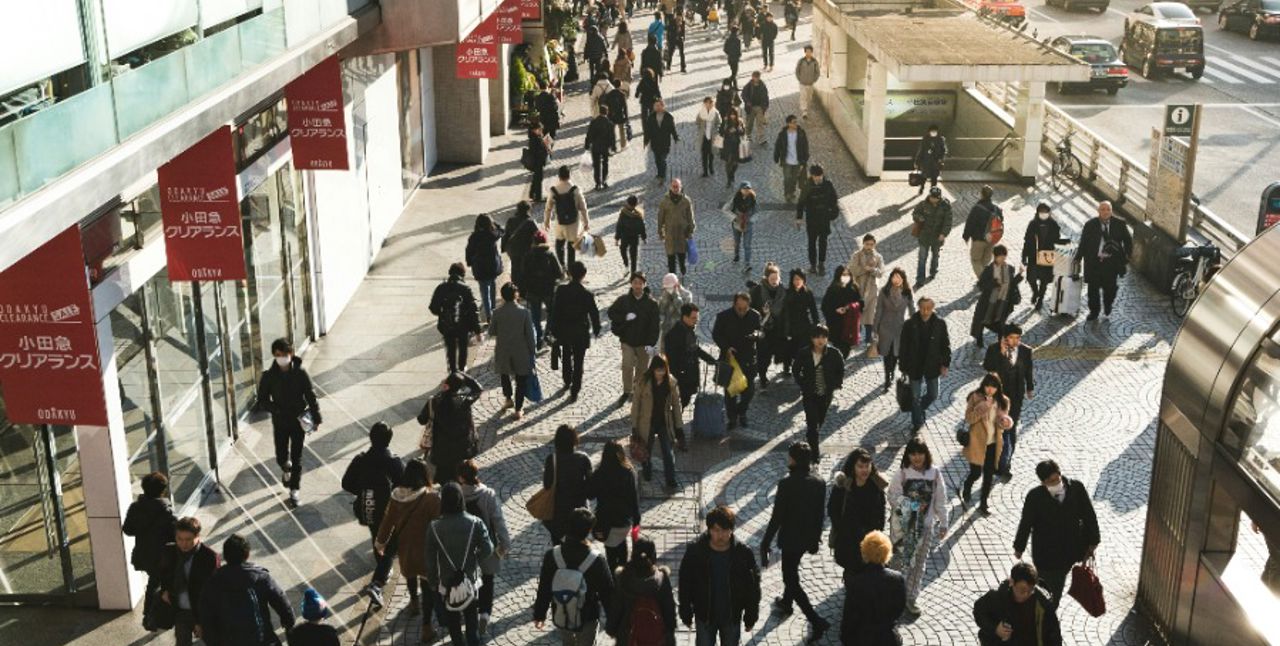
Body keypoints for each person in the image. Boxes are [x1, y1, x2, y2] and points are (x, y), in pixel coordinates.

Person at [760, 442, 831, 642]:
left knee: (790, 578)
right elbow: (820, 515)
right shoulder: (819, 482)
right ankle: (786, 602)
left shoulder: (786, 483)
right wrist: (815, 539)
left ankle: (816, 620)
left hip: (790, 540)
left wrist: (765, 543)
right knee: (792, 570)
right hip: (806, 539)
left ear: (793, 459)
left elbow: (777, 518)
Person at [1013, 460, 1100, 610]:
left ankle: (1042, 611)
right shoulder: (1035, 497)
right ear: (1043, 482)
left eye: (1057, 478)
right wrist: (1019, 546)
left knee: (1051, 587)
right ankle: (1045, 615)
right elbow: (1026, 523)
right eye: (1050, 481)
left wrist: (1093, 541)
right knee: (1052, 590)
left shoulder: (1076, 489)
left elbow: (1089, 515)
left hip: (1070, 551)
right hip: (1046, 554)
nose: (1056, 482)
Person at [374, 459, 441, 640]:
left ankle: (413, 602)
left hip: (406, 547)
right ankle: (426, 626)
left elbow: (387, 521)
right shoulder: (431, 497)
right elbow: (439, 524)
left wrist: (380, 542)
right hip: (427, 549)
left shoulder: (396, 496)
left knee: (410, 574)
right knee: (427, 589)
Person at [341, 421, 405, 607]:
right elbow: (402, 484)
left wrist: (362, 491)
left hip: (366, 506)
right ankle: (378, 581)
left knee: (376, 533)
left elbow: (346, 483)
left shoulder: (360, 459)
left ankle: (381, 568)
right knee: (392, 544)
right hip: (387, 509)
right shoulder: (393, 461)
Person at [678, 505, 762, 646]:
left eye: (725, 530)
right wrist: (685, 611)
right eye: (716, 530)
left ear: (731, 530)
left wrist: (751, 616)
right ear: (709, 530)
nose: (721, 535)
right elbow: (685, 583)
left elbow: (752, 588)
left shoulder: (743, 553)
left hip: (731, 617)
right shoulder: (695, 551)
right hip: (705, 616)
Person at [533, 507, 614, 645]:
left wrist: (539, 614)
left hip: (562, 611)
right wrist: (614, 622)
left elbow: (544, 587)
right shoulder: (596, 560)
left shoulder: (552, 556)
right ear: (588, 531)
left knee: (568, 642)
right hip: (588, 615)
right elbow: (608, 593)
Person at [426, 483, 494, 646]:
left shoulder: (434, 527)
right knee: (471, 621)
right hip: (470, 580)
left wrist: (433, 583)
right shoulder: (475, 523)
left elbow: (430, 559)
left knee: (453, 623)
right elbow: (488, 548)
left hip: (446, 583)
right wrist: (475, 559)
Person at [255, 338, 320, 507]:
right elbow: (262, 399)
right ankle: (285, 468)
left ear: (290, 354)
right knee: (281, 455)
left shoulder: (300, 374)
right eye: (278, 355)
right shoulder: (269, 377)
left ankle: (294, 489)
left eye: (284, 354)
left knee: (297, 457)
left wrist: (316, 417)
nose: (281, 358)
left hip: (298, 421)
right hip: (280, 421)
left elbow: (310, 396)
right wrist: (275, 409)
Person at [887, 438, 947, 616]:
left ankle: (911, 597)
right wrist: (912, 508)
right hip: (903, 529)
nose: (916, 457)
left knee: (919, 564)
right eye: (912, 453)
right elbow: (892, 497)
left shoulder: (934, 473)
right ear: (908, 455)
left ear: (926, 454)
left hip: (926, 528)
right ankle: (893, 596)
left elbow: (940, 500)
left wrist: (943, 523)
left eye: (920, 453)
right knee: (897, 562)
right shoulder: (902, 474)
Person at [199, 534, 295, 646]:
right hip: (261, 640)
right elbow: (281, 600)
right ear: (247, 554)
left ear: (225, 555)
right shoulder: (261, 577)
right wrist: (288, 622)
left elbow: (205, 616)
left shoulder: (213, 583)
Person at [458, 459, 511, 633]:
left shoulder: (456, 495)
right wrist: (504, 544)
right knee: (488, 579)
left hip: (464, 547)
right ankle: (485, 614)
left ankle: (469, 610)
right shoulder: (488, 494)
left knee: (467, 578)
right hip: (486, 544)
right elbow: (498, 521)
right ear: (476, 474)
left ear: (460, 477)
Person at [123, 471, 176, 631]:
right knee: (158, 584)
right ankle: (152, 616)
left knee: (154, 582)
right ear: (163, 491)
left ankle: (151, 616)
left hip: (143, 555)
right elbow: (175, 535)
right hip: (162, 558)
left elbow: (128, 530)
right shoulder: (166, 512)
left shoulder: (135, 507)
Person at [154, 516, 218, 645]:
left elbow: (213, 591)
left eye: (188, 539)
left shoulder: (209, 557)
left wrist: (201, 621)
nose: (183, 544)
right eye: (179, 539)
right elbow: (162, 574)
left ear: (198, 536)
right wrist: (164, 591)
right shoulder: (169, 551)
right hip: (180, 611)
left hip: (202, 612)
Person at [984, 324, 1034, 481]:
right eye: (1012, 338)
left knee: (1010, 429)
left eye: (1018, 338)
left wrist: (1030, 387)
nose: (1016, 341)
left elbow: (1028, 370)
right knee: (997, 429)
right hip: (998, 397)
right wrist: (1001, 353)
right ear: (1005, 338)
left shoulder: (1026, 351)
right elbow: (988, 367)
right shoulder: (994, 349)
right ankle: (995, 461)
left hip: (1016, 396)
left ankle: (1005, 464)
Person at [606, 534, 677, 645]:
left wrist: (611, 629)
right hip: (657, 638)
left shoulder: (623, 578)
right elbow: (669, 611)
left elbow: (616, 607)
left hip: (628, 637)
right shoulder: (662, 579)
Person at [972, 562, 1063, 646]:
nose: (1026, 595)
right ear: (1012, 582)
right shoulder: (997, 597)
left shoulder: (1043, 605)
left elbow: (1054, 637)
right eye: (1022, 590)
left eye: (1030, 590)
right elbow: (979, 611)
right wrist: (995, 628)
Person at [417, 370, 483, 485]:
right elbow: (478, 389)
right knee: (457, 477)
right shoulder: (464, 401)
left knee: (441, 477)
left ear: (445, 385)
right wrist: (463, 375)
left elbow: (421, 419)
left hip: (441, 450)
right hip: (461, 449)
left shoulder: (434, 401)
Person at [841, 531, 906, 646]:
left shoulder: (856, 582)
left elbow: (849, 616)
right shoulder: (897, 579)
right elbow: (899, 609)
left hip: (862, 638)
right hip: (887, 638)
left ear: (864, 552)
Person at [828, 448, 886, 575]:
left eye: (867, 466)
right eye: (860, 466)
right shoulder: (843, 485)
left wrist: (877, 533)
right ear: (853, 467)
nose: (865, 470)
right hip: (848, 539)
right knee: (851, 571)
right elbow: (833, 510)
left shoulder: (875, 484)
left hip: (869, 539)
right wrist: (842, 529)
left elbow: (881, 509)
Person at [550, 261, 602, 402]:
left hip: (565, 329)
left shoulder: (561, 291)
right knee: (579, 361)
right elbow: (594, 314)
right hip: (580, 330)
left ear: (569, 274)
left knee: (566, 353)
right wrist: (597, 329)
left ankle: (567, 379)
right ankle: (575, 389)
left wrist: (552, 329)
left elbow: (555, 312)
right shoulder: (587, 294)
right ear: (583, 275)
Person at [792, 326, 845, 461]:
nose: (820, 340)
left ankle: (811, 438)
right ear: (812, 338)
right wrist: (802, 383)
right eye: (817, 337)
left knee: (818, 421)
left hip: (825, 395)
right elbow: (796, 369)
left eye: (823, 337)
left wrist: (836, 383)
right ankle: (814, 455)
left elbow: (840, 368)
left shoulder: (833, 353)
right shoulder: (804, 353)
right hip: (809, 394)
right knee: (812, 425)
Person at [631, 355, 684, 489]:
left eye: (663, 370)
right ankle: (647, 470)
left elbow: (676, 406)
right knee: (645, 449)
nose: (660, 374)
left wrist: (679, 427)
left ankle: (670, 479)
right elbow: (636, 405)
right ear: (653, 369)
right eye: (658, 370)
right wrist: (634, 426)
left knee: (667, 451)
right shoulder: (643, 382)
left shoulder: (671, 383)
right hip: (647, 422)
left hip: (664, 423)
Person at [1073, 200, 1132, 321]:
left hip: (1111, 263)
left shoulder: (1120, 224)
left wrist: (1126, 256)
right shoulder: (1090, 225)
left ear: (1111, 211)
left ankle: (1108, 304)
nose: (1105, 212)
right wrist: (1078, 257)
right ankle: (1094, 312)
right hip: (1094, 262)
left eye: (1108, 209)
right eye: (1103, 209)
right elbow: (1083, 242)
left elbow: (1128, 240)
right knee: (1093, 290)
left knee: (1110, 288)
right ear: (1098, 211)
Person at [608, 272, 661, 405]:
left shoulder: (652, 304)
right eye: (635, 282)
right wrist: (624, 317)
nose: (637, 285)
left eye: (640, 283)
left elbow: (655, 326)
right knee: (627, 365)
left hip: (644, 343)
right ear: (631, 284)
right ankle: (627, 391)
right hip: (627, 341)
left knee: (642, 370)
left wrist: (651, 343)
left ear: (644, 284)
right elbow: (611, 313)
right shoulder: (623, 300)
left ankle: (637, 390)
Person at [712, 292, 764, 428]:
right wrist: (726, 347)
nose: (742, 312)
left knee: (749, 391)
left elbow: (761, 332)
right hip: (730, 358)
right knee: (731, 392)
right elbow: (716, 334)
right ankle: (732, 417)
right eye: (739, 308)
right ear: (734, 304)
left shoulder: (755, 316)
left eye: (745, 309)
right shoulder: (724, 316)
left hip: (748, 358)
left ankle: (741, 411)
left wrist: (756, 335)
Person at [962, 374, 1010, 517]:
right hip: (977, 443)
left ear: (998, 388)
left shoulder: (1003, 401)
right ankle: (967, 485)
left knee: (988, 475)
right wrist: (983, 407)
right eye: (987, 386)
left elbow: (1003, 422)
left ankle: (984, 503)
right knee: (976, 473)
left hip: (993, 444)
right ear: (983, 386)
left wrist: (1006, 422)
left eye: (993, 387)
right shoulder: (975, 397)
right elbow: (969, 418)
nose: (990, 390)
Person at [899, 297, 950, 433]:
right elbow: (903, 347)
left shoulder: (940, 324)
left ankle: (919, 410)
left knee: (933, 394)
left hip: (932, 365)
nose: (925, 311)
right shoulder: (909, 324)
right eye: (922, 308)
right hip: (914, 365)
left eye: (928, 308)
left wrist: (945, 364)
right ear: (918, 307)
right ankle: (917, 423)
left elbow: (945, 345)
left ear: (933, 307)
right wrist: (903, 367)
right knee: (914, 397)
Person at [590, 440, 642, 569]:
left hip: (605, 521)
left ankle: (613, 578)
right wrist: (636, 519)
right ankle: (622, 573)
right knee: (622, 546)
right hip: (623, 521)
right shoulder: (628, 472)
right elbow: (633, 498)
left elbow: (590, 494)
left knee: (611, 553)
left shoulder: (599, 473)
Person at [543, 424, 594, 545]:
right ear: (574, 440)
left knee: (558, 549)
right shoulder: (583, 459)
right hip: (579, 515)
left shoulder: (552, 460)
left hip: (557, 514)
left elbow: (547, 485)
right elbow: (591, 489)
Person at [430, 262, 483, 373]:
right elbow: (474, 311)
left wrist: (442, 313)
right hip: (463, 325)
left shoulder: (441, 288)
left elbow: (433, 307)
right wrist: (478, 331)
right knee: (463, 348)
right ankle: (462, 370)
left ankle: (453, 371)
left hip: (447, 325)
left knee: (451, 349)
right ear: (462, 274)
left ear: (450, 273)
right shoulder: (465, 289)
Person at [665, 303, 717, 412]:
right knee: (681, 400)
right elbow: (672, 358)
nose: (696, 320)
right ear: (684, 317)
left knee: (686, 399)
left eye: (697, 318)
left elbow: (695, 348)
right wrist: (678, 376)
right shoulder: (675, 334)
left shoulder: (688, 329)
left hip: (689, 372)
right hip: (682, 375)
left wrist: (710, 359)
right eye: (693, 318)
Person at [970, 245, 1022, 348]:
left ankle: (1000, 343)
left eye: (1004, 257)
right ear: (995, 256)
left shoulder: (1010, 269)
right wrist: (993, 283)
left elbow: (1011, 284)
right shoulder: (989, 270)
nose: (1003, 259)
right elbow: (981, 285)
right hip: (989, 301)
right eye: (1000, 257)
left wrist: (1020, 275)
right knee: (984, 320)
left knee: (1000, 323)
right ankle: (979, 338)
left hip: (1003, 302)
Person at [872, 268, 914, 391]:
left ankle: (891, 372)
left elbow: (912, 310)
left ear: (903, 280)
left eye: (899, 277)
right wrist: (875, 328)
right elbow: (878, 310)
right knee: (886, 354)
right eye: (894, 277)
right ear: (891, 278)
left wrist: (914, 325)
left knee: (895, 354)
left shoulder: (907, 293)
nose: (896, 279)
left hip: (900, 329)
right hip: (885, 328)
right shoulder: (884, 292)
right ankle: (887, 376)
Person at [522, 229, 564, 349]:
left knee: (535, 316)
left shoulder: (528, 255)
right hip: (548, 290)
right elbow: (559, 273)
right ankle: (548, 332)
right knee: (552, 312)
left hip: (533, 291)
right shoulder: (550, 254)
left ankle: (539, 337)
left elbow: (523, 274)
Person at [544, 165, 591, 269]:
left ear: (559, 176)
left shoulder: (553, 190)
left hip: (560, 223)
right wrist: (586, 222)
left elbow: (548, 208)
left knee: (559, 244)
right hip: (573, 224)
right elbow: (583, 207)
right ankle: (571, 269)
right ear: (569, 175)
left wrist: (547, 222)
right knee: (571, 248)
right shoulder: (575, 190)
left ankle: (561, 265)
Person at [749, 263, 787, 389]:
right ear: (766, 278)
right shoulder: (758, 291)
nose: (775, 281)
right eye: (772, 279)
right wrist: (762, 312)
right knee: (763, 356)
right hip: (763, 330)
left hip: (777, 329)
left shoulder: (783, 291)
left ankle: (785, 368)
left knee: (776, 353)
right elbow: (751, 310)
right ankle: (763, 377)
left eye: (777, 278)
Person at [796, 164, 839, 275]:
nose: (819, 178)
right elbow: (801, 202)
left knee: (823, 242)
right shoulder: (807, 186)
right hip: (812, 219)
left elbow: (834, 200)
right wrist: (799, 217)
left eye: (820, 176)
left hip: (824, 218)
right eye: (816, 176)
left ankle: (821, 264)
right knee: (811, 243)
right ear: (812, 176)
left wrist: (832, 213)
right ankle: (813, 265)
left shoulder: (828, 185)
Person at [1022, 202, 1063, 309]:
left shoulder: (1054, 225)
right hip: (1034, 255)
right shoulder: (1033, 224)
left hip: (1047, 255)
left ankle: (1040, 299)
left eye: (1045, 212)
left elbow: (1057, 241)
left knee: (1044, 280)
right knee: (1031, 278)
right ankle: (1035, 292)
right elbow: (1026, 240)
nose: (1043, 213)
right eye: (1041, 212)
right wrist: (1024, 255)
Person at [466, 215, 504, 325]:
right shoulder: (492, 235)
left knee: (484, 292)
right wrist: (494, 223)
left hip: (480, 268)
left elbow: (469, 251)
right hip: (492, 267)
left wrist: (469, 262)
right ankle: (493, 310)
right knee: (492, 287)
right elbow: (502, 230)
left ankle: (489, 315)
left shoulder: (474, 237)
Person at [911, 186, 952, 287]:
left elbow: (948, 222)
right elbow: (915, 213)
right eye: (932, 197)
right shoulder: (923, 204)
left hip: (937, 236)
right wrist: (919, 218)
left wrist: (943, 234)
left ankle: (933, 271)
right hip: (924, 236)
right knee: (922, 258)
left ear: (939, 197)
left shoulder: (945, 206)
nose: (933, 199)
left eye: (936, 198)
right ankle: (920, 279)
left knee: (935, 255)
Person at [781, 268, 820, 374]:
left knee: (803, 348)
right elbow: (784, 311)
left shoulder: (808, 293)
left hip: (804, 325)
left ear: (803, 280)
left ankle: (800, 367)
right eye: (795, 279)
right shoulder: (787, 293)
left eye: (799, 279)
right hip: (790, 325)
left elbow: (813, 310)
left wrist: (816, 323)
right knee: (789, 348)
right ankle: (786, 366)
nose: (797, 282)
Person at [849, 234, 885, 346]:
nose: (869, 246)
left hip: (872, 288)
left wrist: (872, 269)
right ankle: (856, 336)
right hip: (858, 286)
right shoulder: (857, 255)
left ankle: (868, 338)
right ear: (863, 243)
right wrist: (864, 269)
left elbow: (881, 272)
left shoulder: (878, 257)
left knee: (870, 313)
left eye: (871, 244)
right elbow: (853, 270)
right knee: (857, 312)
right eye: (867, 244)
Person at [656, 179, 696, 275]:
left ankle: (682, 268)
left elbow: (690, 216)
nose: (675, 189)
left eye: (677, 186)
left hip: (682, 233)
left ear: (680, 187)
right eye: (673, 186)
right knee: (671, 256)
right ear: (670, 187)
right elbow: (660, 218)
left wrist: (691, 229)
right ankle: (672, 275)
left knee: (682, 254)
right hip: (670, 233)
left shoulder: (686, 200)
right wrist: (660, 232)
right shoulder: (664, 202)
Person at [962, 185, 1003, 279]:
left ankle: (984, 280)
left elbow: (970, 223)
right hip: (992, 239)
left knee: (976, 260)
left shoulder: (977, 208)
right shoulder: (996, 208)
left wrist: (966, 236)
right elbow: (1001, 221)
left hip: (979, 239)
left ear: (981, 195)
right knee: (985, 262)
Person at [822, 265, 863, 356]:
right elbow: (825, 306)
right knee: (838, 350)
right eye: (843, 274)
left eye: (847, 274)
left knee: (846, 350)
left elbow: (861, 303)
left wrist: (851, 307)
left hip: (850, 325)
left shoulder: (854, 288)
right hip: (836, 326)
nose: (845, 277)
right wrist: (836, 310)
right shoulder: (832, 289)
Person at [773, 115, 810, 204]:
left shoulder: (801, 133)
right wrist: (776, 157)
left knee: (794, 178)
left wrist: (805, 160)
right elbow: (778, 146)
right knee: (787, 178)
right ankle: (787, 194)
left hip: (798, 160)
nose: (796, 124)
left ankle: (792, 191)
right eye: (794, 122)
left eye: (796, 122)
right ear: (789, 123)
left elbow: (805, 146)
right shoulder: (783, 134)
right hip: (787, 161)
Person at [503, 200, 539, 289]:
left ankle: (515, 288)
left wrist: (504, 248)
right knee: (526, 270)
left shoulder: (510, 220)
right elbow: (538, 236)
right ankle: (524, 289)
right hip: (526, 251)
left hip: (513, 250)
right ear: (528, 210)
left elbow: (506, 235)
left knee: (515, 269)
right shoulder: (531, 222)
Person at [644, 100, 680, 182]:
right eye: (655, 105)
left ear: (663, 106)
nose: (656, 107)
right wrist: (646, 140)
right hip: (655, 142)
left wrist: (675, 137)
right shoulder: (651, 117)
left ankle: (663, 175)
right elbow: (648, 130)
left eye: (658, 105)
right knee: (657, 160)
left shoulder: (668, 117)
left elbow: (672, 128)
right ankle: (659, 173)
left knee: (662, 159)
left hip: (665, 142)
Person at [656, 272, 694, 345]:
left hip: (681, 333)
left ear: (677, 284)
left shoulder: (687, 295)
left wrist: (676, 297)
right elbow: (661, 312)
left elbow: (683, 313)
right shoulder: (665, 294)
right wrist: (664, 299)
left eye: (671, 287)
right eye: (667, 288)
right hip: (667, 332)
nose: (669, 289)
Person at [585, 104, 617, 191]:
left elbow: (589, 135)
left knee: (596, 165)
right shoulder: (610, 124)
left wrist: (587, 145)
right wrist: (613, 147)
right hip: (605, 147)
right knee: (605, 164)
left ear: (599, 112)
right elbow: (612, 137)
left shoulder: (594, 122)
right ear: (607, 112)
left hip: (595, 147)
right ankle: (604, 181)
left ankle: (597, 183)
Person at [615, 196, 646, 278]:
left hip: (631, 237)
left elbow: (641, 226)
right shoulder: (624, 213)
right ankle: (627, 266)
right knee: (623, 250)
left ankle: (633, 273)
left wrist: (643, 237)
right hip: (626, 237)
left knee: (633, 256)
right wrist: (617, 238)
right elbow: (619, 225)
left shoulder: (638, 214)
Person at [730, 181, 757, 271]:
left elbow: (757, 212)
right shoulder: (735, 199)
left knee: (747, 245)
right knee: (737, 242)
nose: (746, 191)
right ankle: (736, 255)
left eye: (748, 189)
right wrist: (734, 217)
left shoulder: (753, 199)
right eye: (744, 189)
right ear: (740, 189)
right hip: (737, 225)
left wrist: (750, 219)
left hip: (748, 226)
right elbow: (726, 209)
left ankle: (747, 264)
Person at [914, 124, 948, 193]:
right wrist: (917, 161)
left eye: (935, 131)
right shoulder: (925, 139)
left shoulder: (941, 139)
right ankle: (922, 188)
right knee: (924, 176)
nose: (933, 132)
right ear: (929, 131)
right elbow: (921, 151)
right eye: (932, 131)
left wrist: (940, 158)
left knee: (934, 178)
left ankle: (933, 191)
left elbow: (944, 150)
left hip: (936, 162)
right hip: (926, 161)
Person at [695, 96, 722, 178]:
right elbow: (697, 122)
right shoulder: (701, 113)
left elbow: (719, 122)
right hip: (703, 137)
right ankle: (705, 171)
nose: (709, 104)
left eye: (710, 103)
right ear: (704, 104)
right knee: (704, 154)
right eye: (707, 103)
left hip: (712, 136)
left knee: (711, 153)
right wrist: (701, 129)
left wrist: (715, 130)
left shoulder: (716, 112)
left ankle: (711, 167)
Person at [741, 71, 770, 147]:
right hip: (750, 107)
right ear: (752, 77)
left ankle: (761, 139)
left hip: (760, 107)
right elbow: (743, 95)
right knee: (749, 123)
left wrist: (765, 106)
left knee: (760, 123)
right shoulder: (748, 86)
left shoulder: (762, 86)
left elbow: (766, 96)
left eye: (757, 77)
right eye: (755, 77)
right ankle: (747, 136)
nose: (756, 79)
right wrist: (747, 102)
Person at [526, 122, 552, 202]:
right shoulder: (534, 139)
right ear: (534, 130)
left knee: (536, 178)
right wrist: (546, 149)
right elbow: (537, 151)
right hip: (537, 161)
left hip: (538, 161)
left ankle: (532, 193)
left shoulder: (537, 136)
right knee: (538, 178)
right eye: (539, 129)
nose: (541, 131)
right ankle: (538, 197)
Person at [720, 109, 746, 188]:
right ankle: (729, 179)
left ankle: (732, 174)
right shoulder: (725, 122)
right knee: (728, 162)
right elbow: (721, 131)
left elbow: (743, 132)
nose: (732, 116)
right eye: (731, 114)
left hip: (737, 145)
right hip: (727, 145)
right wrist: (728, 131)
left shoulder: (739, 121)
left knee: (735, 163)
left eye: (734, 114)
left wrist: (737, 130)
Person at [604, 79, 630, 151]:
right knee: (621, 130)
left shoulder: (609, 94)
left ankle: (613, 146)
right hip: (620, 114)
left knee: (612, 131)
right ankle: (623, 145)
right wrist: (626, 116)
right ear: (620, 85)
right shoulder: (622, 94)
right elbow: (625, 107)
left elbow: (606, 104)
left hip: (611, 115)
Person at [795, 45, 820, 119]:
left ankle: (806, 108)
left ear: (811, 52)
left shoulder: (815, 62)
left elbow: (817, 72)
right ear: (805, 52)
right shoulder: (801, 61)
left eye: (809, 52)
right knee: (803, 96)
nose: (808, 53)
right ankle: (804, 111)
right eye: (807, 51)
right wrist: (800, 79)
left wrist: (814, 79)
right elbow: (797, 71)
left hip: (810, 83)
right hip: (802, 83)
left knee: (809, 97)